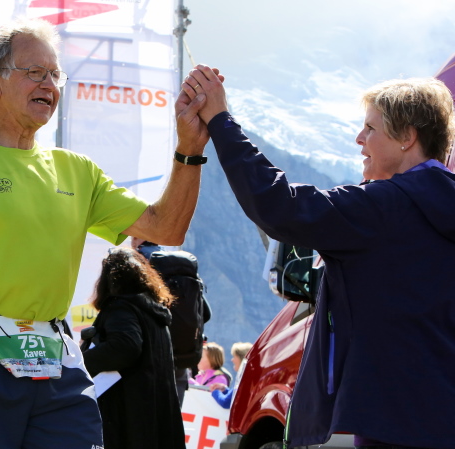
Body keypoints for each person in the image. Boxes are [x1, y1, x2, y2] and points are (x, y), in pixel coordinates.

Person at [0, 18, 215, 449]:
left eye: (55, 74)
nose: (49, 84)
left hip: (54, 352)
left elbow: (166, 226)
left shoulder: (77, 170)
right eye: (35, 72)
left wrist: (189, 149)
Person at [181, 65, 455, 449]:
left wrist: (221, 121)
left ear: (408, 137)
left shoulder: (381, 208)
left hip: (392, 421)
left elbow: (279, 203)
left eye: (371, 128)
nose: (359, 138)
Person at [80, 247, 185, 449]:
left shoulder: (121, 308)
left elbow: (124, 347)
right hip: (157, 411)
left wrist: (82, 361)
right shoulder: (155, 312)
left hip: (130, 413)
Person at [132, 237, 211, 406]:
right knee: (173, 413)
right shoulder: (177, 264)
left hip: (150, 355)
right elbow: (206, 313)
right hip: (183, 354)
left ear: (136, 237)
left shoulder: (139, 262)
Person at [209, 342, 252, 409]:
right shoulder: (248, 377)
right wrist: (225, 389)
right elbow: (235, 396)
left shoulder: (244, 379)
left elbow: (226, 402)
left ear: (242, 359)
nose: (232, 360)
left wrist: (215, 391)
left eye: (234, 356)